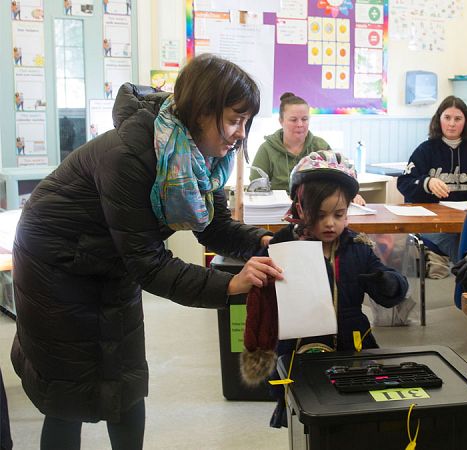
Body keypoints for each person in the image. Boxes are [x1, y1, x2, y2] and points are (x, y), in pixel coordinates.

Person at [10, 54, 284, 450]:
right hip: (53, 266)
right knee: (67, 392)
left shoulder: (198, 156)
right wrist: (229, 285)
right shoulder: (130, 156)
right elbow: (149, 263)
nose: (240, 133)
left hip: (110, 257)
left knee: (125, 380)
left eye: (246, 122)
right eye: (234, 119)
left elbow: (214, 225)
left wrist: (264, 241)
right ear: (202, 110)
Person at [265, 150, 409, 428]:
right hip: (299, 348)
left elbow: (393, 291)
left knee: (352, 410)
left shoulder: (359, 246)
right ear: (300, 209)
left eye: (339, 214)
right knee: (306, 412)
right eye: (320, 215)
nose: (330, 223)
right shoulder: (283, 247)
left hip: (352, 345)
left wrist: (389, 284)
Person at [397, 95, 467, 262]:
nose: (452, 124)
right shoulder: (425, 150)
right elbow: (404, 183)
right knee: (461, 245)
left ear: (466, 122)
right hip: (433, 223)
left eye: (458, 119)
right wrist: (427, 182)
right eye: (447, 118)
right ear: (438, 120)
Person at [249, 92, 331, 191]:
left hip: (313, 205)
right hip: (278, 206)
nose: (300, 124)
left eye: (304, 119)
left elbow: (338, 178)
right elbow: (256, 189)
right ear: (281, 121)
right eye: (293, 120)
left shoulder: (320, 146)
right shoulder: (267, 149)